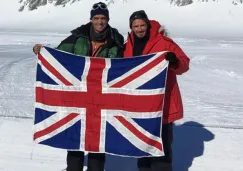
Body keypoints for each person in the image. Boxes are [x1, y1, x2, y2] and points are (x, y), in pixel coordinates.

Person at [33, 2, 124, 171]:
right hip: (78, 98)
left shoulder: (116, 41)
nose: (99, 22)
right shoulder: (77, 37)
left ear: (108, 19)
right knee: (75, 140)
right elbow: (60, 55)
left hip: (102, 100)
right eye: (96, 18)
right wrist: (42, 51)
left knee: (98, 142)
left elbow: (125, 66)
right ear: (91, 19)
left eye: (103, 18)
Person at [123, 10, 190, 171]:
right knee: (142, 147)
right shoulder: (127, 46)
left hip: (162, 104)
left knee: (162, 149)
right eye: (135, 26)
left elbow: (184, 64)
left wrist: (174, 62)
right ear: (131, 28)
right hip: (139, 106)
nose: (139, 29)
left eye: (142, 25)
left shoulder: (164, 42)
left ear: (148, 24)